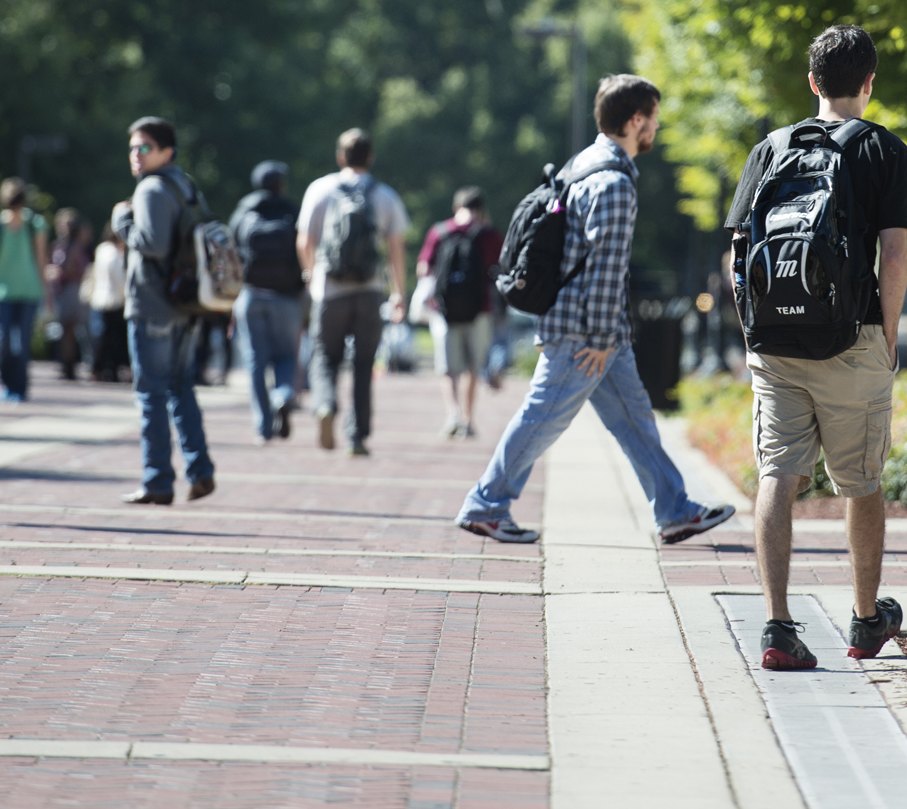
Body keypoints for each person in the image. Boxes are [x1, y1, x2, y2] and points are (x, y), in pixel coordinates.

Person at [457, 76, 736, 546]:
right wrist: (603, 339)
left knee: (635, 419)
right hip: (587, 333)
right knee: (542, 417)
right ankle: (486, 505)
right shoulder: (613, 183)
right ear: (634, 121)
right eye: (653, 117)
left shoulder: (583, 164)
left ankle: (675, 510)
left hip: (592, 328)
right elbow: (605, 268)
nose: (657, 126)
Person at [724, 26, 907, 670]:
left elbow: (737, 256)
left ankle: (778, 628)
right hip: (853, 338)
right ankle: (865, 621)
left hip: (774, 342)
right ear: (869, 83)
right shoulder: (886, 152)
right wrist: (887, 334)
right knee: (860, 480)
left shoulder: (769, 149)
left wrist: (754, 331)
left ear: (812, 83)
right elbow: (893, 254)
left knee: (778, 474)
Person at [116, 118, 217, 504]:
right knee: (180, 388)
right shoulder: (185, 185)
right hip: (186, 304)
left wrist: (121, 220)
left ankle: (157, 480)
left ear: (165, 152)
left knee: (151, 395)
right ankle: (200, 469)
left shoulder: (152, 189)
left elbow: (152, 245)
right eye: (131, 148)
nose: (135, 156)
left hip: (152, 305)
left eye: (143, 148)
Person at [297, 129, 410, 457]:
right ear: (370, 157)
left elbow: (305, 241)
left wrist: (310, 276)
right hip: (369, 290)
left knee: (324, 357)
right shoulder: (385, 195)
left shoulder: (320, 189)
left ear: (340, 157)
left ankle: (324, 404)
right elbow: (395, 249)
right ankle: (357, 437)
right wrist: (398, 293)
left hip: (329, 290)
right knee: (363, 365)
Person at [230, 160, 306, 443]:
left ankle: (263, 426)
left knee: (255, 361)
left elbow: (229, 252)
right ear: (281, 184)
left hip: (250, 295)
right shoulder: (292, 211)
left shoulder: (243, 212)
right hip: (286, 297)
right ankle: (283, 395)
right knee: (287, 356)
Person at [418, 186, 503, 438]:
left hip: (444, 308)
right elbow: (500, 267)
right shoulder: (489, 234)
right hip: (480, 309)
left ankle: (452, 413)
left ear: (456, 208)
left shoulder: (439, 231)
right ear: (481, 209)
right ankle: (468, 419)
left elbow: (424, 268)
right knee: (472, 367)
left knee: (448, 368)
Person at [0, 178, 50, 403]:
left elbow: (40, 260)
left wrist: (46, 293)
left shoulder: (35, 224)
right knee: (3, 341)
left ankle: (20, 387)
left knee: (22, 343)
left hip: (28, 291)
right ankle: (7, 383)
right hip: (1, 293)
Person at [86, 210, 130, 382]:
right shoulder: (115, 254)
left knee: (101, 339)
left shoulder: (101, 249)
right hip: (114, 300)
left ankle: (99, 369)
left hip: (99, 299)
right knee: (113, 341)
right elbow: (119, 279)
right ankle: (109, 369)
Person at [48, 209, 91, 381]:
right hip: (62, 290)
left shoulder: (76, 247)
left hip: (72, 290)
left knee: (69, 330)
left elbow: (75, 270)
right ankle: (66, 365)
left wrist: (61, 273)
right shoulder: (58, 246)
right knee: (65, 331)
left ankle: (69, 366)